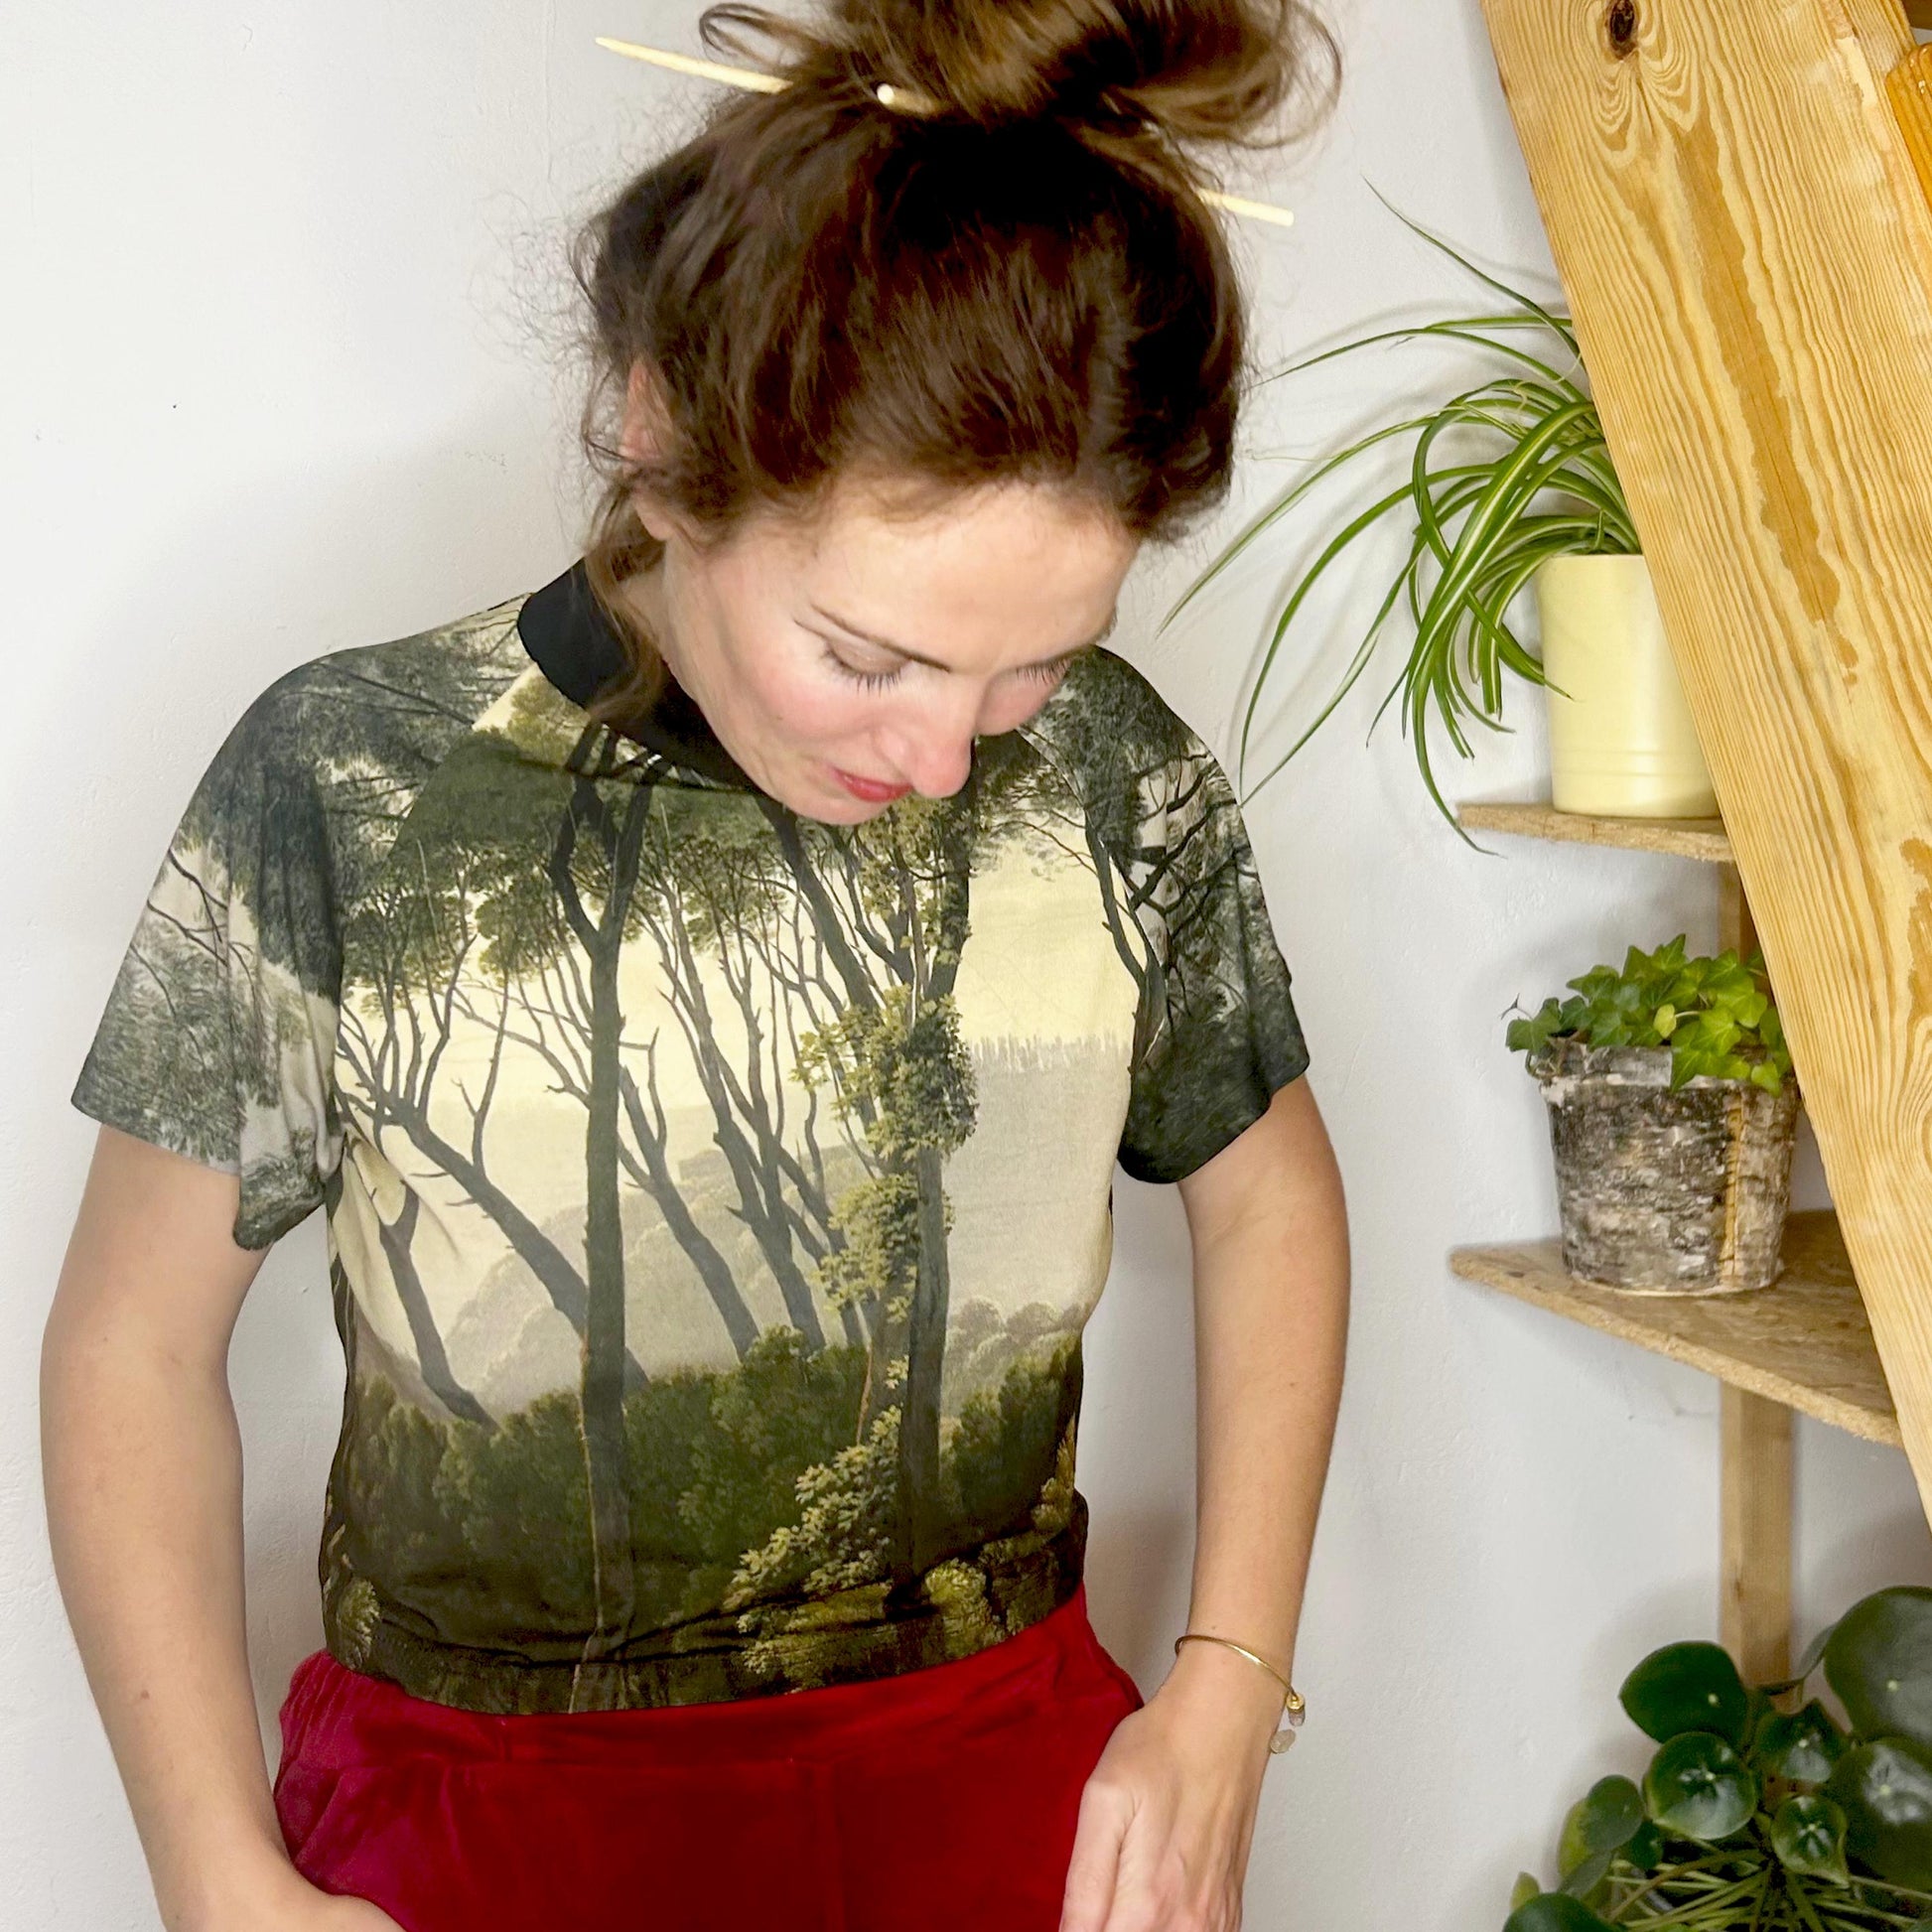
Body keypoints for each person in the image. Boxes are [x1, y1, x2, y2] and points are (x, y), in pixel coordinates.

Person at [40, 0, 1350, 1927]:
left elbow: (1269, 1197)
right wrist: (214, 1873)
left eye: (1031, 664)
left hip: (1005, 1782)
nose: (941, 757)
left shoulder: (1108, 770)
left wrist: (1230, 1683)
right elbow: (131, 1346)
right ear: (663, 445)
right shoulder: (352, 778)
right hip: (481, 1813)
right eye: (869, 656)